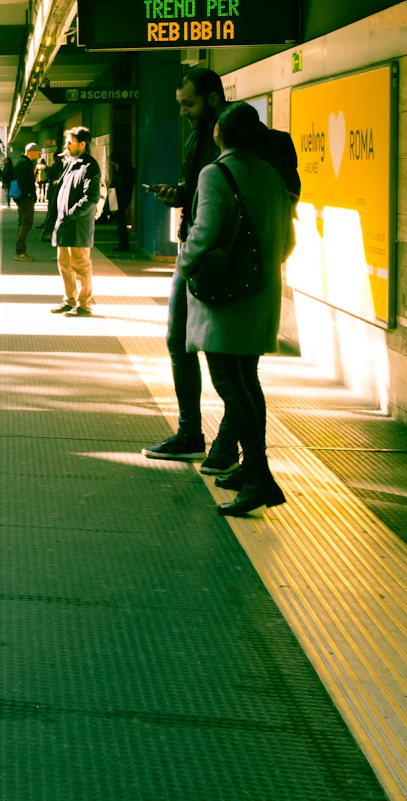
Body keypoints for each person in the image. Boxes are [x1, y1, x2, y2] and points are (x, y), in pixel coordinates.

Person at [175, 101, 293, 516]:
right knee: (247, 378)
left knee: (227, 380)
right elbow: (288, 242)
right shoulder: (272, 176)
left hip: (226, 299)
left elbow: (205, 231)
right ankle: (249, 467)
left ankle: (259, 475)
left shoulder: (216, 173)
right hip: (261, 294)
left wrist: (184, 265)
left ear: (218, 134)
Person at [143, 68, 228, 465]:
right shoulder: (198, 137)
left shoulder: (228, 141)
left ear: (212, 99)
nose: (182, 112)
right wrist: (176, 195)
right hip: (190, 252)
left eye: (188, 104)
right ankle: (191, 432)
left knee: (225, 359)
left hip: (214, 259)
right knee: (179, 342)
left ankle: (229, 444)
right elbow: (198, 194)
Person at [49, 127, 101, 316]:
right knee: (64, 266)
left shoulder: (89, 166)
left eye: (70, 142)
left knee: (80, 265)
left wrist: (70, 215)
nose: (66, 146)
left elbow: (91, 198)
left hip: (78, 225)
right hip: (65, 224)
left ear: (82, 144)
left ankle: (84, 305)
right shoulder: (71, 164)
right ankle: (69, 300)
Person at [8, 142, 41, 261]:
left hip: (22, 198)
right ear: (31, 152)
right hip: (24, 199)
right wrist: (29, 195)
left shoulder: (23, 162)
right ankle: (20, 252)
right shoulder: (24, 164)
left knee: (22, 223)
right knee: (26, 224)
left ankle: (19, 250)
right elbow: (22, 182)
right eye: (37, 152)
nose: (38, 155)